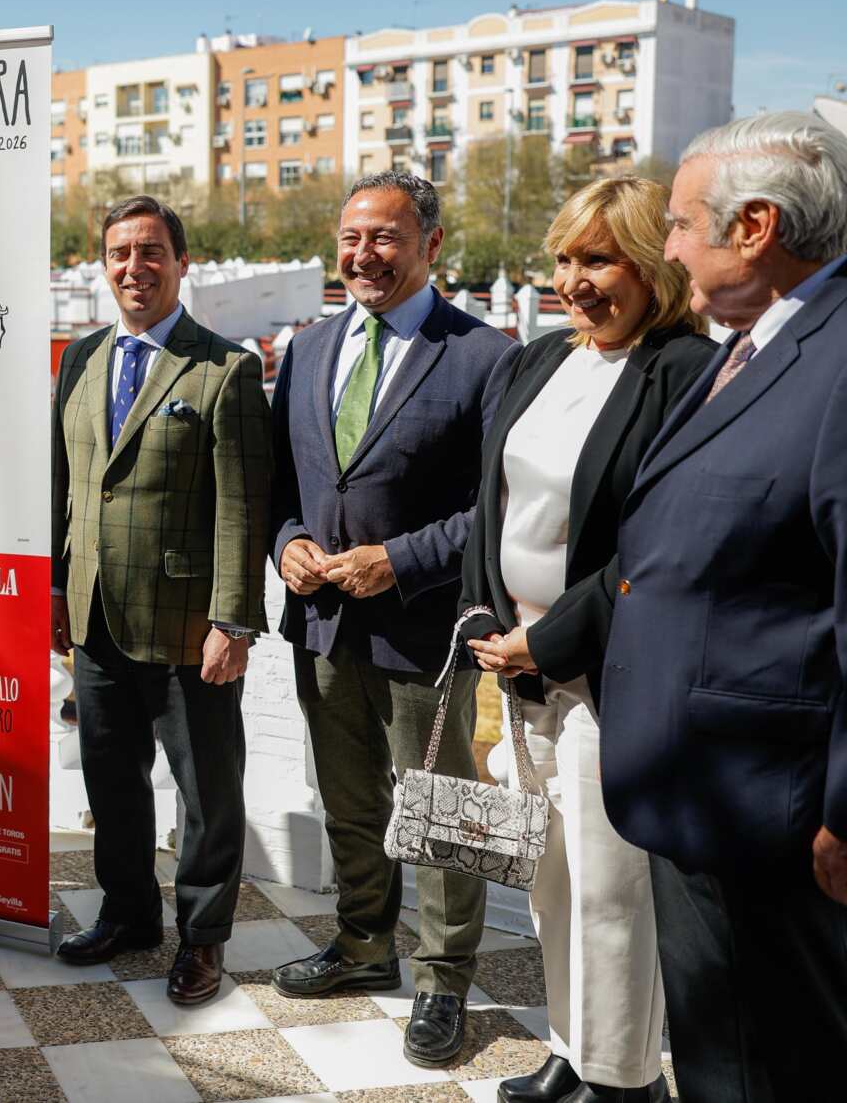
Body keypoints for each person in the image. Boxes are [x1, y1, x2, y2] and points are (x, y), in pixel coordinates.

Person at [506, 113, 847, 1100]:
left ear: (753, 225)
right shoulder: (751, 346)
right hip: (703, 788)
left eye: (680, 224)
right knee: (721, 1056)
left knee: (771, 1063)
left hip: (772, 808)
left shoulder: (827, 358)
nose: (670, 249)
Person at [456, 179, 713, 1103]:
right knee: (552, 883)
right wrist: (486, 619)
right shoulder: (537, 361)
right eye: (565, 259)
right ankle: (571, 1050)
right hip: (518, 669)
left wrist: (551, 638)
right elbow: (494, 506)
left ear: (651, 267)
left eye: (599, 259)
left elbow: (659, 542)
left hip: (610, 675)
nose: (576, 280)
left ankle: (623, 1078)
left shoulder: (685, 370)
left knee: (613, 894)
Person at [267, 171, 515, 1067]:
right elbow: (283, 486)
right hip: (322, 626)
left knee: (443, 812)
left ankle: (444, 981)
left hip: (424, 633)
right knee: (350, 799)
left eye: (384, 237)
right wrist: (288, 540)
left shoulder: (486, 356)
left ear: (432, 245)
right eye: (350, 238)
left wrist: (397, 560)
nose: (363, 255)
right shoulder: (305, 349)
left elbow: (498, 506)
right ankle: (363, 945)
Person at [47, 194, 272, 1004]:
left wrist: (233, 621)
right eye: (119, 254)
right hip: (96, 609)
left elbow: (244, 507)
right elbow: (65, 483)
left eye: (151, 253)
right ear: (102, 266)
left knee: (207, 791)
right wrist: (54, 587)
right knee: (111, 776)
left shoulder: (226, 368)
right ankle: (129, 913)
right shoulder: (80, 358)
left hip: (188, 625)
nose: (134, 268)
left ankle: (203, 940)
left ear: (182, 263)